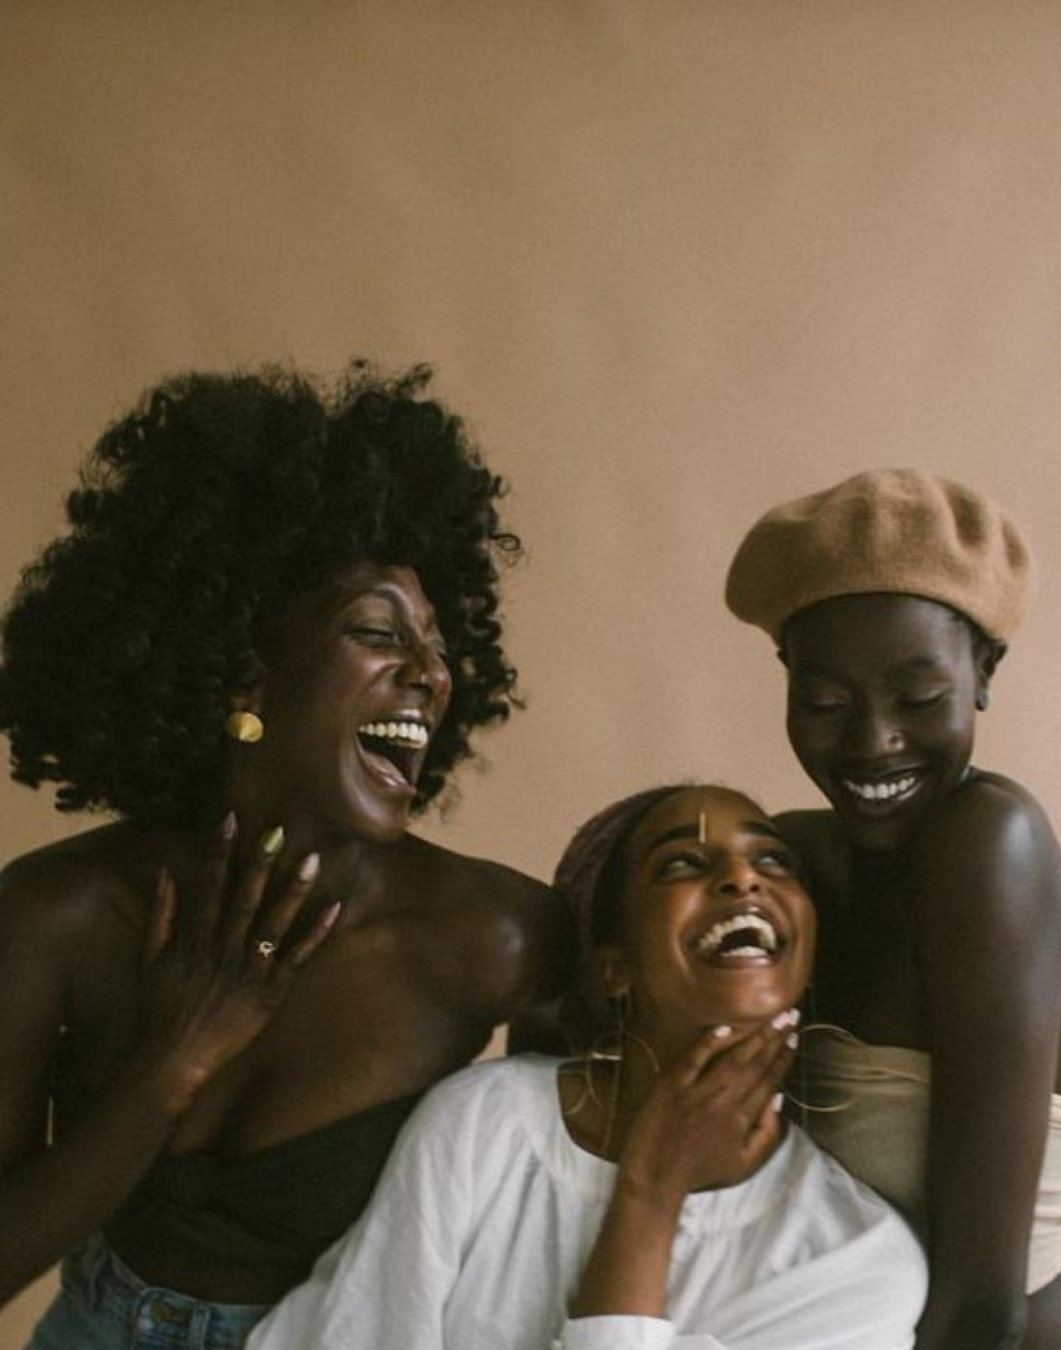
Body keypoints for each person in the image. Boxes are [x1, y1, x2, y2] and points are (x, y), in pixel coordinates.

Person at [0, 362, 570, 1348]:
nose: (431, 675)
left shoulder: (498, 940)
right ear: (242, 669)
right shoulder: (58, 915)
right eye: (378, 632)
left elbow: (563, 1225)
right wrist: (175, 1061)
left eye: (437, 645)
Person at [246, 782, 927, 1350]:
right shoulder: (486, 1124)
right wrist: (650, 1186)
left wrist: (650, 1199)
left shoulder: (858, 1264)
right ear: (612, 968)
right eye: (681, 863)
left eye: (774, 861)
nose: (744, 878)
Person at [725, 468, 1061, 1350]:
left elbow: (983, 1300)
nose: (873, 741)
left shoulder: (990, 841)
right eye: (826, 702)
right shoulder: (786, 859)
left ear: (984, 673)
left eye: (919, 700)